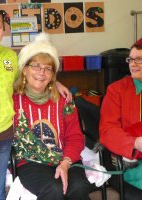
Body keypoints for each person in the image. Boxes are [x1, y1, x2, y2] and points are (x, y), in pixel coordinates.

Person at [0, 5, 71, 200]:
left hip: (3, 137)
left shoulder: (10, 58)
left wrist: (55, 82)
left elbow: (28, 76)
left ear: (3, 30)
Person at [12, 32, 93, 200]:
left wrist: (65, 163)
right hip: (29, 162)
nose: (42, 72)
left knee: (79, 186)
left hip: (66, 158)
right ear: (24, 69)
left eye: (48, 68)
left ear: (52, 75)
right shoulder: (12, 100)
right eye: (35, 66)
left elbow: (75, 137)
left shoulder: (64, 101)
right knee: (53, 189)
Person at [99, 23, 142, 200]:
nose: (133, 64)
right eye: (130, 59)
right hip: (132, 162)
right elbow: (107, 131)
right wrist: (134, 143)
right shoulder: (116, 90)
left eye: (140, 60)